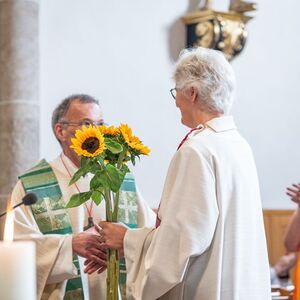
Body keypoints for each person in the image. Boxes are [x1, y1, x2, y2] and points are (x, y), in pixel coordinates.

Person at [96, 48, 271, 299]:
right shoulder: (238, 145)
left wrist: (128, 240)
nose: (176, 101)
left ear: (192, 92)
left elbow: (183, 240)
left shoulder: (198, 150)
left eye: (175, 92)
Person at [11, 94, 156, 299]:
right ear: (60, 131)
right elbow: (17, 247)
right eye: (86, 123)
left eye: (100, 124)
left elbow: (150, 236)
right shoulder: (32, 185)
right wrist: (69, 246)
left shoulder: (119, 179)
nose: (96, 132)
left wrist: (125, 244)